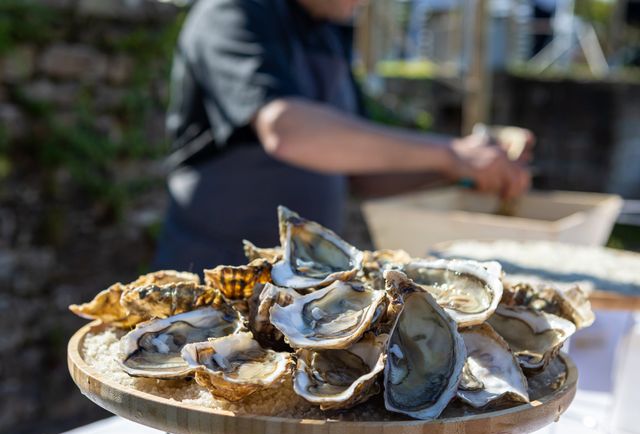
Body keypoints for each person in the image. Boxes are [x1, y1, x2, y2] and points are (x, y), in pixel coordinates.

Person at [154, 0, 533, 272]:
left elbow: (364, 174)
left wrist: (463, 170)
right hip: (213, 273)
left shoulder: (326, 35)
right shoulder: (230, 13)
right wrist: (451, 153)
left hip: (303, 285)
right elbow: (286, 130)